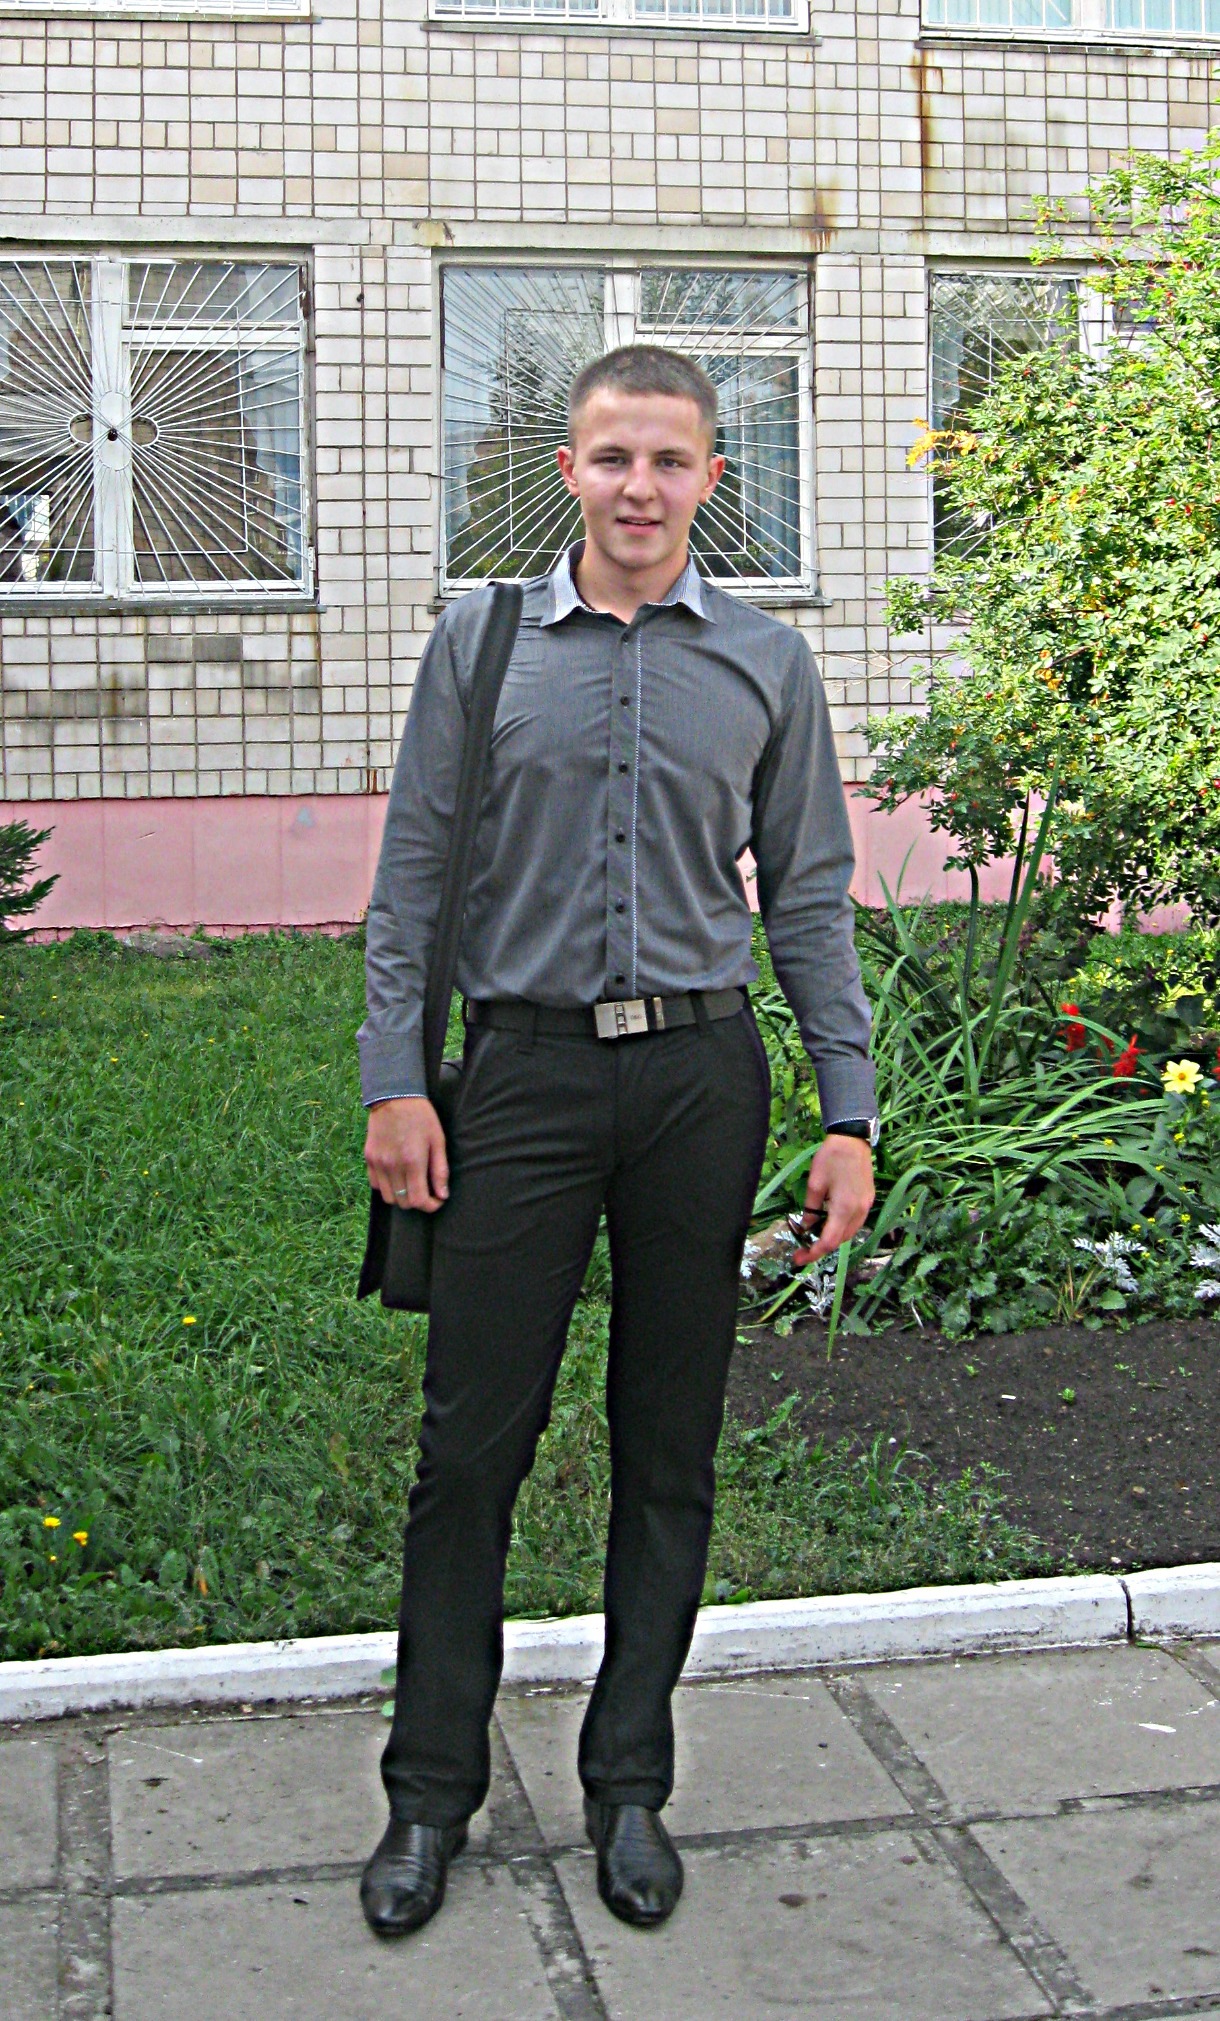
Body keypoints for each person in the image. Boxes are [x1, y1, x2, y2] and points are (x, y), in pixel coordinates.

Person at [357, 345, 877, 1940]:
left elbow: (806, 897)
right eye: (610, 457)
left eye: (668, 459)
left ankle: (630, 1783)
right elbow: (414, 874)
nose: (638, 486)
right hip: (518, 1079)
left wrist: (849, 1113)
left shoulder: (767, 663)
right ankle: (428, 1791)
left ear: (713, 476)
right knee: (470, 1450)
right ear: (565, 470)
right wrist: (396, 1081)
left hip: (699, 1085)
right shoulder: (483, 644)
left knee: (668, 1448)